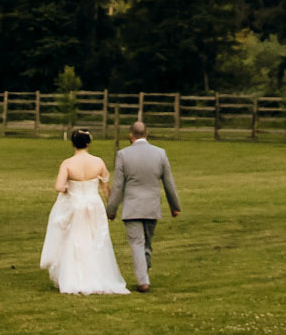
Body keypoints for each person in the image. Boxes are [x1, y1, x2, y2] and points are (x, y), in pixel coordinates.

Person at [38, 127, 129, 296]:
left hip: (75, 205)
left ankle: (74, 276)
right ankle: (96, 274)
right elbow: (105, 187)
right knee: (94, 239)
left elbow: (59, 186)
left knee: (74, 239)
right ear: (88, 143)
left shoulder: (68, 163)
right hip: (94, 204)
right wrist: (111, 207)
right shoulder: (98, 162)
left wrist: (68, 188)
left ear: (73, 144)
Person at [107, 118, 181, 293]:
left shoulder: (123, 154)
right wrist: (174, 206)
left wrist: (111, 209)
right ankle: (143, 279)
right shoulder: (160, 153)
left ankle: (143, 276)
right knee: (145, 242)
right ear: (146, 134)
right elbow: (169, 183)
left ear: (131, 136)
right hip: (151, 206)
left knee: (138, 243)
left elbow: (118, 185)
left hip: (132, 206)